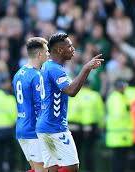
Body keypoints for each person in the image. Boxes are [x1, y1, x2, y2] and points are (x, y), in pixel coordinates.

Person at [35, 33, 103, 172]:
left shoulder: (47, 66)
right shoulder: (55, 68)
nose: (73, 49)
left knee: (52, 168)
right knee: (72, 167)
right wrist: (86, 69)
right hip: (55, 126)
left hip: (44, 126)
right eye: (70, 46)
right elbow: (71, 91)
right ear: (60, 50)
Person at [12, 37, 49, 172]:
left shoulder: (18, 74)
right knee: (43, 170)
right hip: (33, 130)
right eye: (46, 51)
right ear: (39, 54)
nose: (48, 54)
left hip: (21, 128)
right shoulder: (37, 75)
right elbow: (40, 106)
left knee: (35, 168)